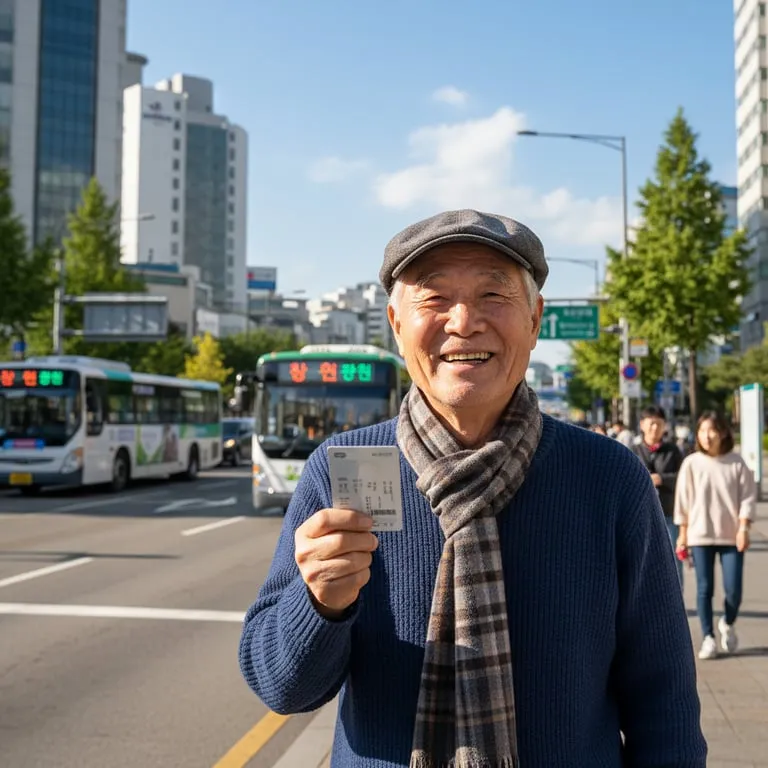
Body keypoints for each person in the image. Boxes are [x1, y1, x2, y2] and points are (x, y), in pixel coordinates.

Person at [239, 210, 706, 767]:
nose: (464, 322)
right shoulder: (340, 473)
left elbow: (665, 702)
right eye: (434, 299)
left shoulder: (608, 478)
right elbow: (281, 687)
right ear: (395, 322)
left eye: (493, 294)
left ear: (534, 320)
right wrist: (319, 602)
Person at [674, 411, 757, 660]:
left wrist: (744, 527)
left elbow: (748, 497)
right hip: (700, 535)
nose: (707, 436)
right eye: (702, 431)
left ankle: (728, 623)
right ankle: (708, 637)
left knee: (733, 591)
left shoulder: (736, 462)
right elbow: (683, 501)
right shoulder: (691, 463)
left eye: (712, 430)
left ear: (723, 432)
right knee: (704, 588)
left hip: (732, 535)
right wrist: (683, 534)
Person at [632, 405, 685, 588]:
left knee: (672, 559)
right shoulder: (632, 450)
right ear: (642, 425)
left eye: (659, 424)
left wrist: (662, 479)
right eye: (652, 423)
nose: (655, 428)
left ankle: (676, 599)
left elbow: (683, 477)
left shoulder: (673, 451)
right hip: (639, 514)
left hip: (668, 512)